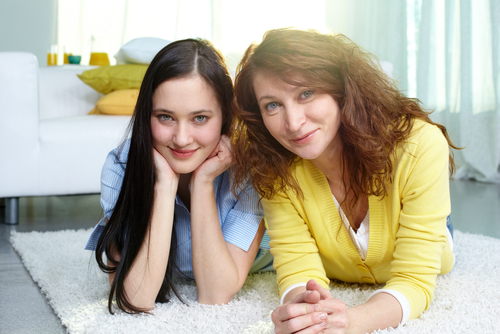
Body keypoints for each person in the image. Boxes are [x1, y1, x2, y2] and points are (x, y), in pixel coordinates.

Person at [232, 28, 458, 334]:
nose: (293, 122)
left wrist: (352, 321)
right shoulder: (275, 167)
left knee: (437, 240)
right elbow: (297, 265)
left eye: (306, 93)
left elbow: (414, 280)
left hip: (433, 232)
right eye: (273, 105)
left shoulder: (420, 146)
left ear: (341, 89)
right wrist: (304, 310)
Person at [85, 38, 273, 314]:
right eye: (165, 117)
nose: (182, 139)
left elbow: (215, 294)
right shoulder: (120, 166)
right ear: (146, 115)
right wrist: (164, 184)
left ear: (225, 117)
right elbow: (135, 298)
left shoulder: (248, 168)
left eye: (200, 118)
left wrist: (203, 183)